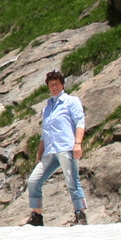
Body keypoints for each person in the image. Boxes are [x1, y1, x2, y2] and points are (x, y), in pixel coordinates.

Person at [25, 69, 86, 226]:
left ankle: (80, 214)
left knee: (72, 181)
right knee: (33, 181)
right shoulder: (47, 108)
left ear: (62, 85)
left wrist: (77, 143)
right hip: (50, 150)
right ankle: (37, 216)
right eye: (51, 85)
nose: (54, 87)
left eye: (57, 84)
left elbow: (80, 122)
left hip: (66, 147)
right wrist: (40, 152)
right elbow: (44, 133)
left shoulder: (71, 101)